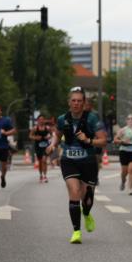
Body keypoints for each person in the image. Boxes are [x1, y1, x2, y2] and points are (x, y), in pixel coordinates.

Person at [46, 87, 107, 244]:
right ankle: (76, 232)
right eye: (73, 100)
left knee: (87, 197)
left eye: (79, 101)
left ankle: (86, 213)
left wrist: (88, 140)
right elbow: (57, 135)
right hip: (69, 160)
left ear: (84, 103)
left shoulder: (92, 119)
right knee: (74, 191)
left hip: (88, 161)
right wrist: (53, 145)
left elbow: (103, 140)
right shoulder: (62, 119)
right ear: (69, 102)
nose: (76, 103)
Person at [114, 114, 132, 195]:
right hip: (124, 151)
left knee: (131, 169)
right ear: (126, 121)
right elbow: (115, 140)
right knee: (124, 171)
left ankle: (130, 188)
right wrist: (122, 141)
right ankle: (123, 181)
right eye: (128, 119)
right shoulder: (122, 130)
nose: (130, 120)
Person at [29, 115, 52, 183]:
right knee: (40, 162)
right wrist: (36, 137)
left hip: (45, 147)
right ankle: (40, 175)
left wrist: (49, 137)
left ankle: (45, 176)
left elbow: (52, 135)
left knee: (44, 160)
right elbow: (30, 136)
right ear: (38, 121)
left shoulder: (47, 128)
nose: (41, 121)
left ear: (44, 120)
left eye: (42, 119)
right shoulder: (35, 128)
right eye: (40, 119)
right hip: (38, 147)